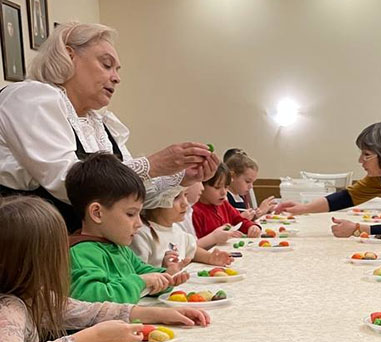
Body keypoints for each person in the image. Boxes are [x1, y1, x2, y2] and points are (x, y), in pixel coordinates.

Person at [0, 22, 219, 231]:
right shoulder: (30, 99)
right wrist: (152, 165)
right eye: (106, 65)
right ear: (69, 55)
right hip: (29, 250)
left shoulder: (101, 123)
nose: (116, 78)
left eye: (117, 69)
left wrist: (181, 177)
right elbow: (68, 183)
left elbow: (125, 198)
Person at [0, 197, 209, 342]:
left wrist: (161, 314)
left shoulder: (36, 296)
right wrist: (95, 338)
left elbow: (92, 312)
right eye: (58, 251)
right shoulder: (9, 307)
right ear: (33, 260)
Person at [66, 154, 189, 304]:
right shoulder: (81, 253)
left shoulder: (118, 247)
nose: (139, 223)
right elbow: (94, 298)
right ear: (97, 213)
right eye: (131, 214)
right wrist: (141, 282)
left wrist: (167, 276)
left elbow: (143, 271)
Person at [274, 122, 381, 238]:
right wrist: (303, 208)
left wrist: (356, 228)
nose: (360, 160)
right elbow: (349, 196)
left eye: (366, 154)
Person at [131, 186, 233, 269]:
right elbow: (138, 274)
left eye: (185, 195)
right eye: (176, 197)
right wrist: (163, 271)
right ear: (154, 202)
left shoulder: (176, 229)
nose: (185, 203)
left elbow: (192, 250)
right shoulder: (142, 234)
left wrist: (210, 258)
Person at [192, 163, 261, 239]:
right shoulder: (195, 211)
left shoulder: (224, 204)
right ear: (202, 186)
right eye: (217, 187)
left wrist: (251, 226)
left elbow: (238, 219)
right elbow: (196, 245)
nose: (224, 192)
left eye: (226, 187)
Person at [224, 152, 276, 219]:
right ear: (232, 176)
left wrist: (257, 213)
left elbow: (246, 220)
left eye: (252, 182)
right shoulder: (225, 197)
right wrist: (261, 211)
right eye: (247, 181)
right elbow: (230, 222)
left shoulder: (240, 196)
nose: (251, 186)